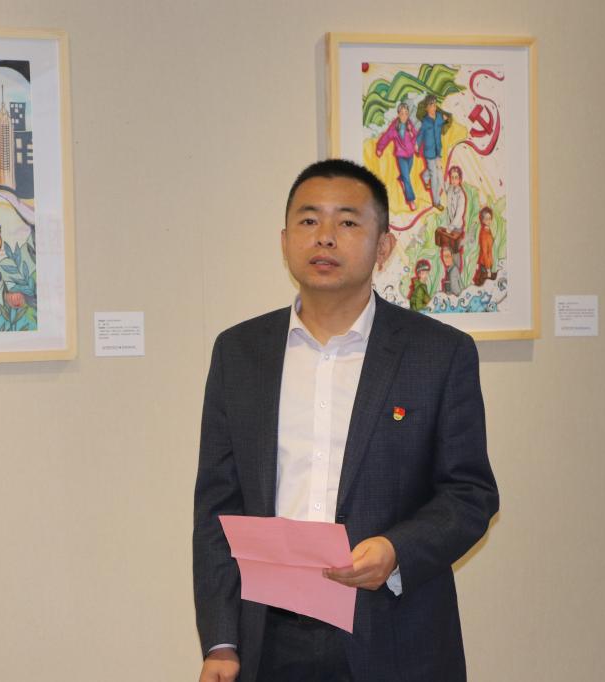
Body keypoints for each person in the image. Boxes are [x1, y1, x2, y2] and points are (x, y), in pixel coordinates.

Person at [194, 159, 498, 682]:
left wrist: (396, 551)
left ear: (384, 246)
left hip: (396, 635)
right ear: (285, 240)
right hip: (269, 639)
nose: (325, 237)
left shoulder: (439, 353)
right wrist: (221, 642)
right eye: (309, 220)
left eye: (348, 221)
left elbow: (470, 494)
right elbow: (217, 506)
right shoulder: (240, 352)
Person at [375, 102, 419, 210]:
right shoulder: (394, 127)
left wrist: (416, 144)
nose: (404, 116)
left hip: (410, 154)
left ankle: (402, 178)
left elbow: (415, 136)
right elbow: (386, 136)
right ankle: (411, 200)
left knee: (405, 175)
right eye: (402, 113)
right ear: (398, 114)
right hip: (401, 155)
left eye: (406, 113)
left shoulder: (409, 124)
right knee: (407, 178)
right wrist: (380, 148)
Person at [416, 95, 451, 210]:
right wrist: (417, 145)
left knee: (433, 171)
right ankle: (436, 202)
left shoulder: (439, 117)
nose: (434, 107)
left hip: (437, 150)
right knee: (435, 177)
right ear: (426, 108)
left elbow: (445, 120)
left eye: (435, 105)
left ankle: (424, 176)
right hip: (429, 153)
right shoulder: (425, 122)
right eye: (431, 105)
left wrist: (446, 119)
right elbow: (420, 135)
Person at [472, 207, 497, 286]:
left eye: (490, 218)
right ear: (482, 220)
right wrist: (488, 269)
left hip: (488, 262)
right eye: (486, 219)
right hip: (485, 265)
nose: (489, 221)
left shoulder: (487, 229)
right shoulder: (484, 234)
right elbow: (484, 252)